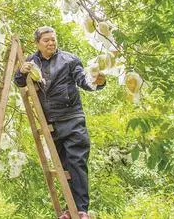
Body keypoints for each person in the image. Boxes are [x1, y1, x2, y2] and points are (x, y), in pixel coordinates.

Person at [14, 26, 106, 219]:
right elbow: (19, 82)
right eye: (46, 40)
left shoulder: (69, 60)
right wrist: (21, 72)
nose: (51, 43)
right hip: (51, 123)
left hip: (72, 118)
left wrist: (98, 81)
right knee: (64, 167)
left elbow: (84, 80)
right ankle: (69, 210)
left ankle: (81, 210)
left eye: (53, 39)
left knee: (77, 162)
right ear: (37, 43)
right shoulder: (32, 61)